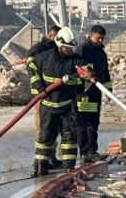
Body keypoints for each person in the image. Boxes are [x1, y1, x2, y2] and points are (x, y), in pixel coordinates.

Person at [28, 27, 93, 176]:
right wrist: (39, 86)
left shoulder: (74, 60)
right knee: (45, 137)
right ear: (59, 44)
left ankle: (69, 168)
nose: (69, 51)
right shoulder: (45, 57)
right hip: (48, 105)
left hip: (67, 106)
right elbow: (30, 65)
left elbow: (85, 66)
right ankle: (40, 167)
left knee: (69, 138)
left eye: (71, 48)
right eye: (67, 48)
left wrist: (89, 73)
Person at [25, 25, 62, 169]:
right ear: (51, 36)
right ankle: (40, 160)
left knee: (54, 126)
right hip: (41, 95)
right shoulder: (37, 50)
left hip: (54, 94)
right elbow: (32, 71)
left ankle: (51, 156)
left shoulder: (55, 49)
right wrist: (41, 88)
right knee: (42, 126)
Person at [75, 25, 112, 162]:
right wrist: (88, 76)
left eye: (102, 38)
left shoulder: (101, 53)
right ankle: (84, 152)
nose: (100, 41)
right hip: (84, 92)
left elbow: (105, 73)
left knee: (94, 123)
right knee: (83, 124)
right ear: (91, 35)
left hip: (96, 93)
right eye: (98, 38)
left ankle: (92, 151)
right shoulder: (83, 49)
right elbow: (79, 68)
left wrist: (108, 90)